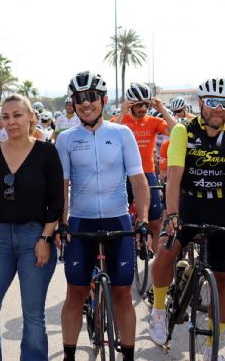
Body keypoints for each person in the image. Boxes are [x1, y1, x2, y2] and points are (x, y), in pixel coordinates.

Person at [55, 71, 151, 361]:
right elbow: (63, 187)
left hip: (117, 219)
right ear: (73, 103)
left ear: (104, 100)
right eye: (80, 98)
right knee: (75, 293)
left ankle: (129, 356)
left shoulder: (122, 134)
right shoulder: (66, 139)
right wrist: (62, 223)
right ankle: (70, 356)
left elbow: (138, 180)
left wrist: (143, 219)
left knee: (123, 293)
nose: (86, 103)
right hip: (81, 222)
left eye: (91, 97)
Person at [0, 94, 63, 361]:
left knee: (33, 314)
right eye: (5, 116)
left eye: (17, 115)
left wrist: (45, 238)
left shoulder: (47, 152)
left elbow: (56, 200)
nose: (11, 121)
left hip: (34, 238)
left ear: (30, 118)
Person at [148, 78, 225, 360]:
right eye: (214, 102)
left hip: (219, 206)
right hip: (188, 203)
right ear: (202, 103)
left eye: (224, 103)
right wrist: (173, 214)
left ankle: (216, 339)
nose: (219, 109)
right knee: (166, 252)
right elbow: (175, 175)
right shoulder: (183, 131)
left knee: (223, 277)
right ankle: (157, 310)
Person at [112, 82, 177, 251]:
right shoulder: (120, 121)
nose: (143, 109)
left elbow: (177, 132)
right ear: (131, 105)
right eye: (139, 105)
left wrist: (162, 109)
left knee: (155, 221)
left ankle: (154, 260)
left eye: (146, 105)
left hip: (147, 172)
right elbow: (108, 136)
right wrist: (121, 113)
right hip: (123, 173)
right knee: (121, 218)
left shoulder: (153, 121)